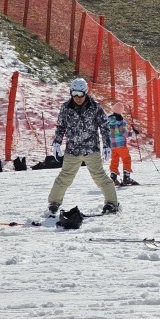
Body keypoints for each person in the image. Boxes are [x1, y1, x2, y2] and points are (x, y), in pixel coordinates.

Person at [47, 78, 120, 216]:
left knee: (99, 176)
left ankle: (112, 203)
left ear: (86, 93)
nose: (77, 97)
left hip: (90, 148)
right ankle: (54, 203)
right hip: (73, 149)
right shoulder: (66, 107)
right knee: (65, 177)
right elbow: (61, 126)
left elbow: (104, 126)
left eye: (80, 94)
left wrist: (106, 145)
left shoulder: (95, 107)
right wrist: (57, 142)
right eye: (74, 94)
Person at [107, 102, 138, 186]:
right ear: (121, 111)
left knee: (114, 160)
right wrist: (132, 133)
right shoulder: (121, 121)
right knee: (126, 159)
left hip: (112, 145)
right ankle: (126, 178)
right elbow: (124, 133)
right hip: (121, 144)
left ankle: (113, 177)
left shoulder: (108, 120)